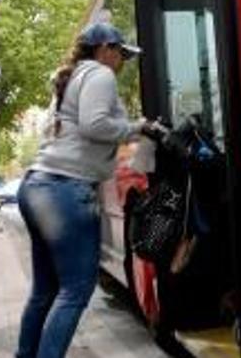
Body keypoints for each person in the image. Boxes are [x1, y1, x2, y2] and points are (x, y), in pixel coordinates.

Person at [16, 22, 152, 358]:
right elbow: (95, 125)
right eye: (122, 54)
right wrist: (140, 127)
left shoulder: (72, 77)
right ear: (106, 48)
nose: (122, 63)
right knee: (76, 289)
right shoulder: (100, 74)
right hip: (66, 189)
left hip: (36, 185)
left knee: (44, 290)